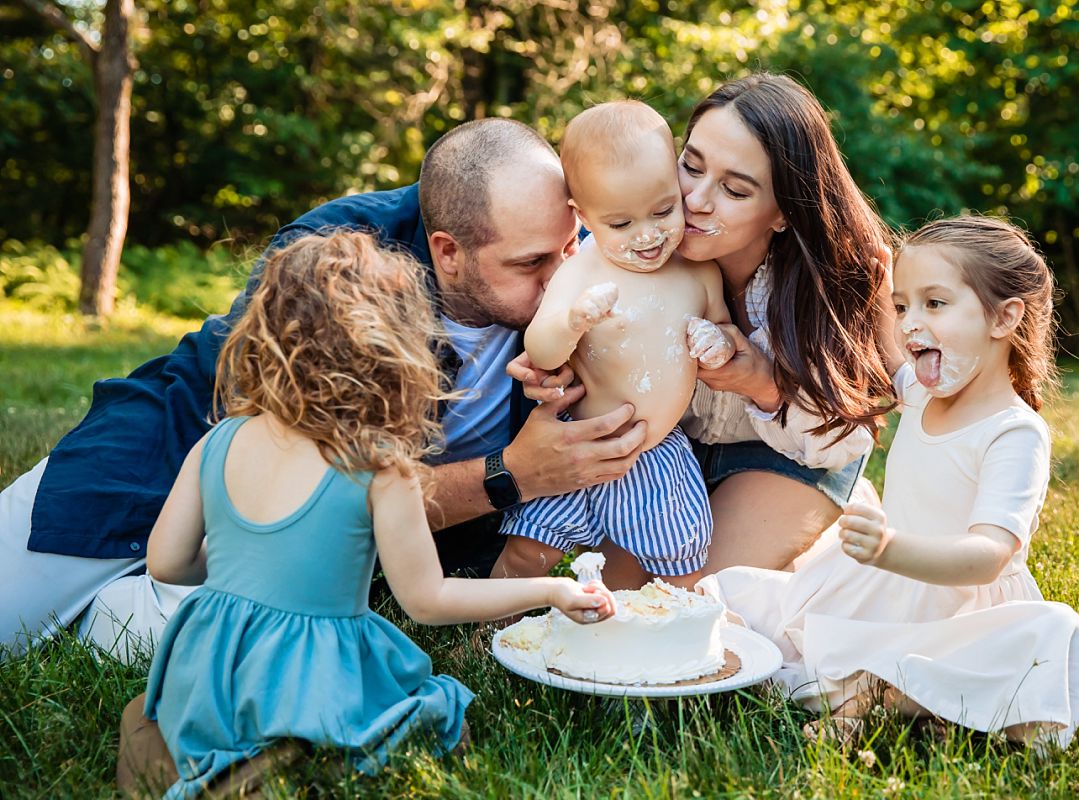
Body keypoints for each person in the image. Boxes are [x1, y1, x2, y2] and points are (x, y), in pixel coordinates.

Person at [0, 118, 645, 661]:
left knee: (245, 641)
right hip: (170, 447)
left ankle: (124, 613)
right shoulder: (340, 270)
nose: (563, 276)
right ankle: (118, 605)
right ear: (447, 253)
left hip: (325, 556)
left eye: (570, 247)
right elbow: (317, 487)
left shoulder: (584, 252)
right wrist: (513, 474)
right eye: (532, 264)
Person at [120, 231, 616, 799]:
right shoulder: (381, 468)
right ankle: (280, 764)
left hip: (210, 671)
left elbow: (166, 562)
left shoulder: (220, 440)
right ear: (396, 354)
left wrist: (252, 569)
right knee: (443, 721)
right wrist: (550, 593)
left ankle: (213, 754)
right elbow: (428, 602)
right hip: (311, 681)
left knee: (148, 719)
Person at [699, 215, 1079, 747]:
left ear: (1005, 318)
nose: (911, 322)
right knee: (735, 599)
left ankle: (888, 693)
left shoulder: (1013, 432)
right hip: (886, 590)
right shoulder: (922, 391)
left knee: (1062, 638)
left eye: (934, 304)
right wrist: (878, 297)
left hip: (962, 609)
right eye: (902, 307)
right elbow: (891, 356)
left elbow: (990, 554)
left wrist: (891, 548)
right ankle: (904, 694)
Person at [542, 74, 897, 588]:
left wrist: (760, 381)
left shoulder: (821, 283)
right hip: (672, 458)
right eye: (690, 166)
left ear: (781, 213)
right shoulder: (627, 237)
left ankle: (823, 526)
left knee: (690, 599)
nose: (697, 200)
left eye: (734, 189)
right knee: (610, 600)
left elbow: (843, 439)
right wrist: (557, 366)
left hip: (786, 455)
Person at [490, 101, 735, 587]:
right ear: (583, 216)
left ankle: (676, 632)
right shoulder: (582, 270)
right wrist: (573, 322)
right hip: (576, 443)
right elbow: (542, 351)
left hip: (656, 452)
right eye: (620, 224)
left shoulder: (700, 273)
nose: (647, 235)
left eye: (663, 210)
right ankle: (492, 629)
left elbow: (725, 329)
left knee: (681, 558)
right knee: (527, 552)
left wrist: (717, 342)